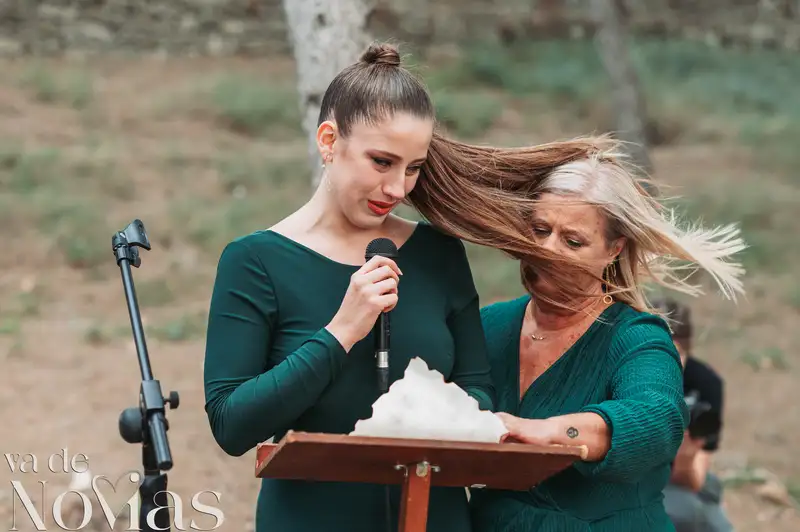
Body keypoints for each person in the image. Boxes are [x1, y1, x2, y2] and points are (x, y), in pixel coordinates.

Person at [203, 43, 499, 532]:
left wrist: (433, 418)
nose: (399, 188)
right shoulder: (255, 261)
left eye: (414, 167)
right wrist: (341, 331)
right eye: (382, 162)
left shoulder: (439, 254)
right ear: (328, 141)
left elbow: (479, 394)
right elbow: (233, 424)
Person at [405, 142, 747, 531]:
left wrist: (552, 431)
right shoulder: (490, 325)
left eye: (572, 241)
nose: (548, 249)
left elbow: (657, 417)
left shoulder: (636, 337)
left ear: (613, 250)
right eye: (539, 230)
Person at [652, 298, 734, 532]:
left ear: (684, 348)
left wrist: (686, 457)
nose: (663, 366)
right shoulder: (620, 378)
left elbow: (696, 477)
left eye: (672, 353)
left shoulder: (706, 384)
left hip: (680, 479)